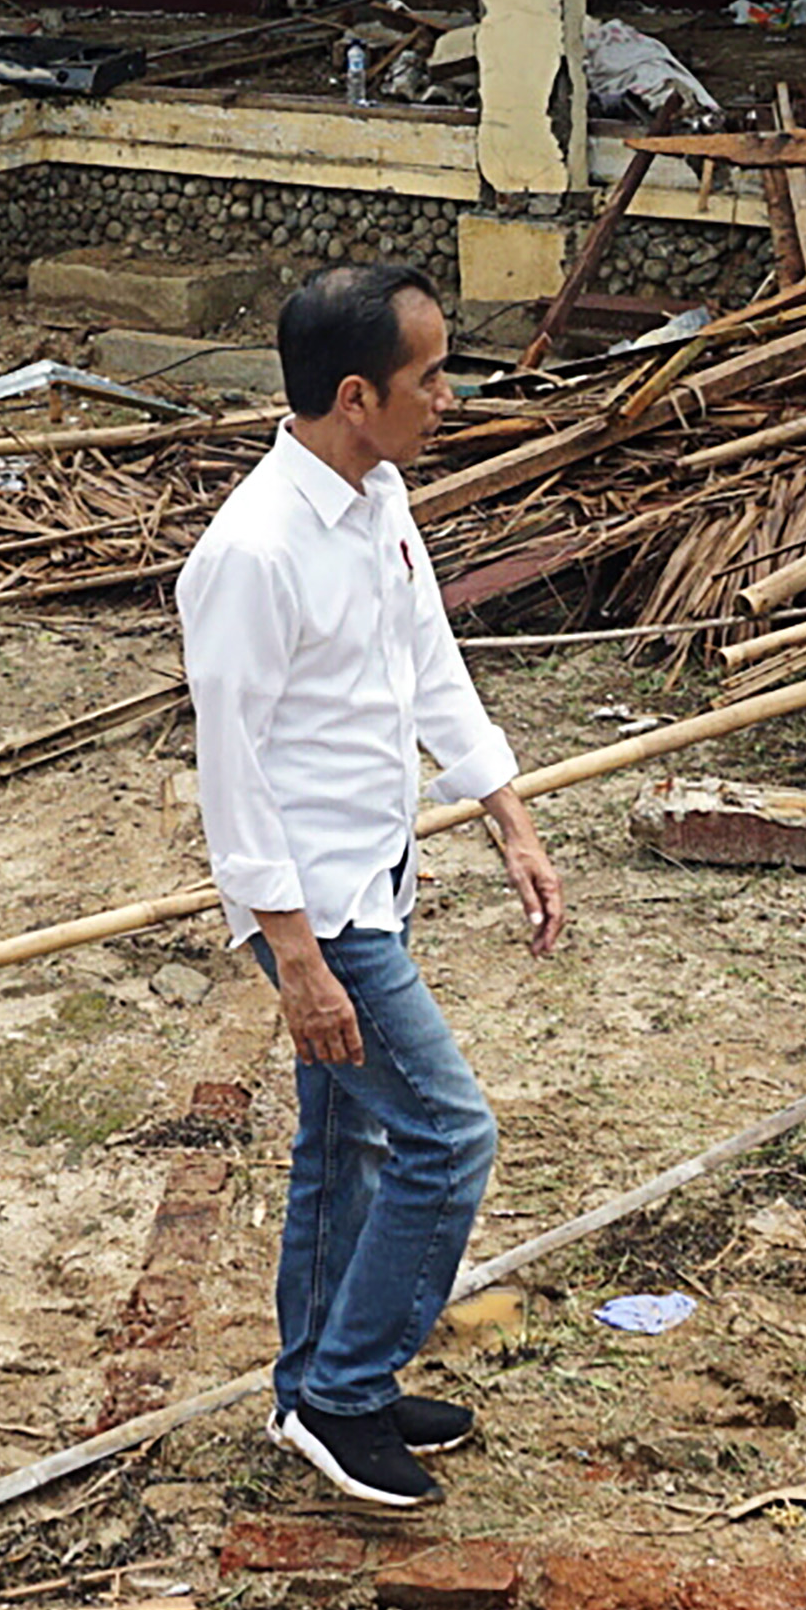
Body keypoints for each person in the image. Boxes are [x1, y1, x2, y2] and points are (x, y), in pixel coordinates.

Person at [179, 263, 566, 1507]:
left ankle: (316, 1389)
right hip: (318, 902)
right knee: (450, 1136)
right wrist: (292, 952)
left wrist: (504, 813)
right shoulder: (249, 553)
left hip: (377, 866)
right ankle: (347, 1391)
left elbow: (426, 661)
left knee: (343, 1143)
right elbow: (230, 774)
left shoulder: (376, 493)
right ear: (356, 395)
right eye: (430, 378)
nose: (446, 399)